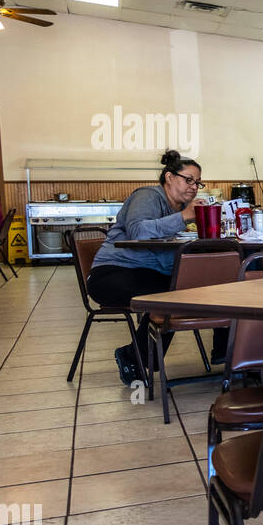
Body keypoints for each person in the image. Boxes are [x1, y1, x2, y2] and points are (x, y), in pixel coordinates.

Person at [87, 150, 211, 384]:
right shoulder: (148, 195)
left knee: (191, 287)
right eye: (189, 179)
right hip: (112, 274)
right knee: (175, 293)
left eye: (198, 183)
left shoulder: (177, 209)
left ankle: (138, 355)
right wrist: (184, 217)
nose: (194, 187)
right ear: (169, 177)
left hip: (148, 275)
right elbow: (137, 231)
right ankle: (135, 355)